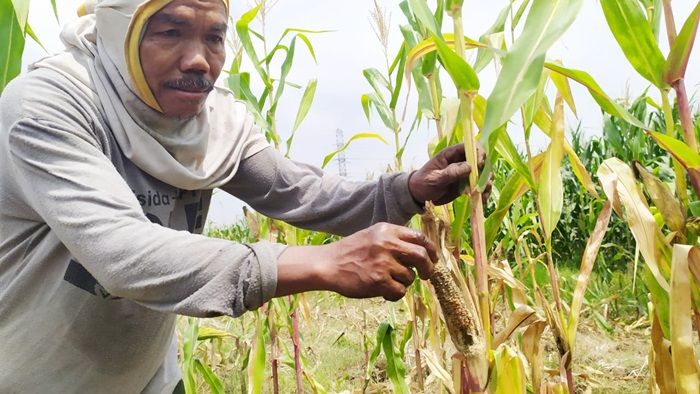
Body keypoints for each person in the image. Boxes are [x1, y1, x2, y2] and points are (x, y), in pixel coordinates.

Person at [0, 0, 485, 392]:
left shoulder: (216, 123)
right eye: (171, 31)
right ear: (117, 32)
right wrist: (322, 263)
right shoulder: (50, 107)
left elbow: (299, 192)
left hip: (147, 377)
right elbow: (122, 252)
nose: (198, 59)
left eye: (214, 36)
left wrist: (406, 189)